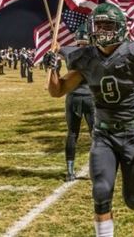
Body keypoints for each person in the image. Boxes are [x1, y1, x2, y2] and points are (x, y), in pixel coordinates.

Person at [47, 3, 134, 237]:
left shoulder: (133, 55)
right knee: (101, 191)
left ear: (120, 28)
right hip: (103, 134)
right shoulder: (86, 58)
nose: (102, 30)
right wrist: (52, 70)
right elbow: (58, 90)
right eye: (99, 25)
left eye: (108, 25)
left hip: (133, 134)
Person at [59, 23, 95, 182]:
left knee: (72, 134)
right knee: (96, 135)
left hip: (72, 97)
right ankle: (97, 169)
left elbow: (57, 48)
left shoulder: (69, 51)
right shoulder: (95, 52)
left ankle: (70, 171)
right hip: (90, 97)